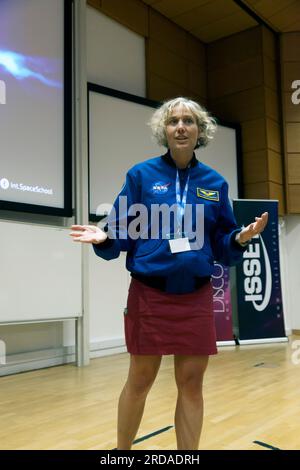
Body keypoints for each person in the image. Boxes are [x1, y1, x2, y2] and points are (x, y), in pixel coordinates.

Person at [70, 97, 268, 450]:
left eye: (188, 121)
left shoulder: (215, 183)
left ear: (200, 131)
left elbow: (221, 243)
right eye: (173, 120)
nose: (180, 126)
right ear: (164, 130)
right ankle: (122, 452)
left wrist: (239, 237)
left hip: (196, 296)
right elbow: (121, 228)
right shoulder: (141, 175)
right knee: (140, 379)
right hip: (150, 295)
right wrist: (106, 236)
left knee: (191, 384)